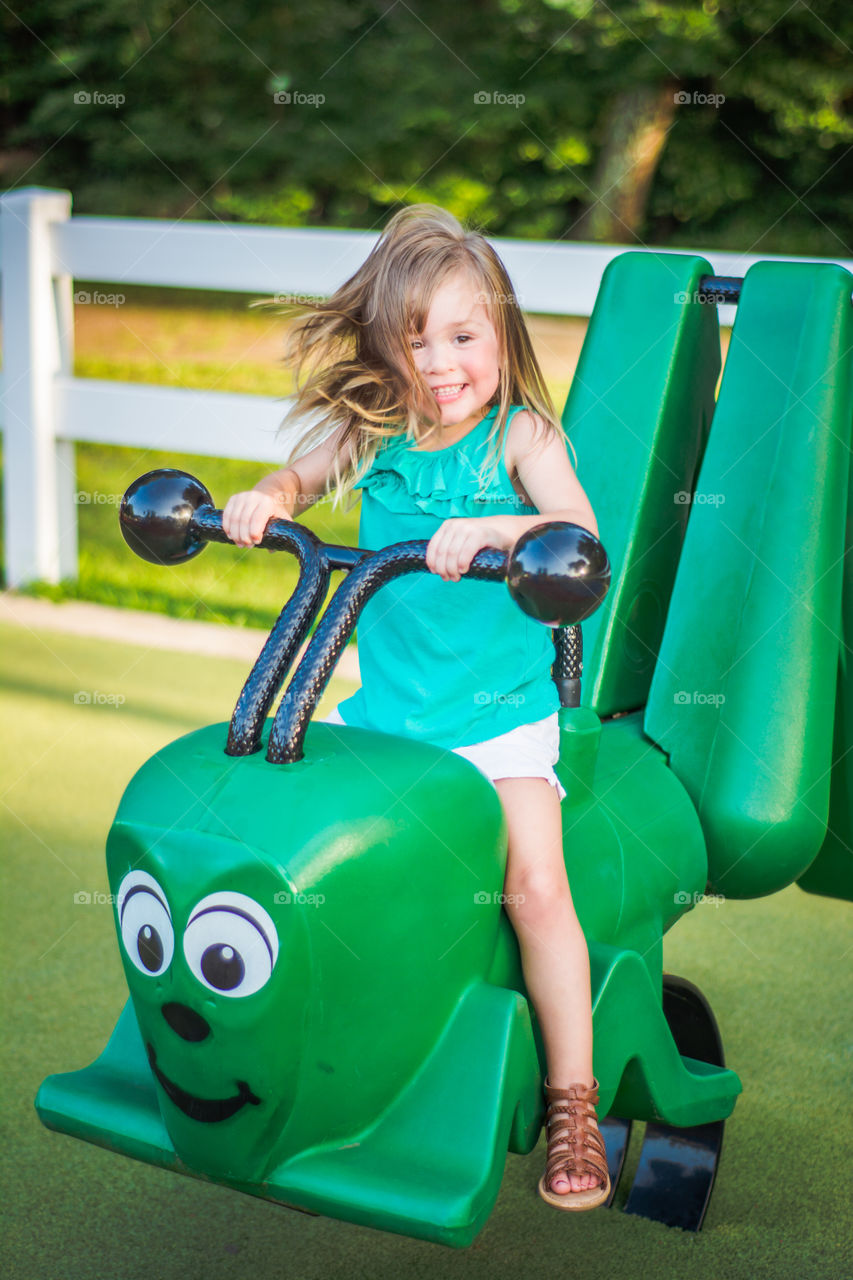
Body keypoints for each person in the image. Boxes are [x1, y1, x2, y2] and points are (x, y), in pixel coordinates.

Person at [222, 205, 610, 1211]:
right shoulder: (375, 426)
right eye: (413, 339)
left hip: (497, 716)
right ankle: (305, 1040)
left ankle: (575, 1099)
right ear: (384, 349)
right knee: (298, 831)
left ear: (501, 337)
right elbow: (303, 475)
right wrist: (269, 495)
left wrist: (492, 524)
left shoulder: (519, 435)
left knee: (534, 889)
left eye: (462, 335)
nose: (440, 364)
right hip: (385, 711)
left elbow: (577, 526)